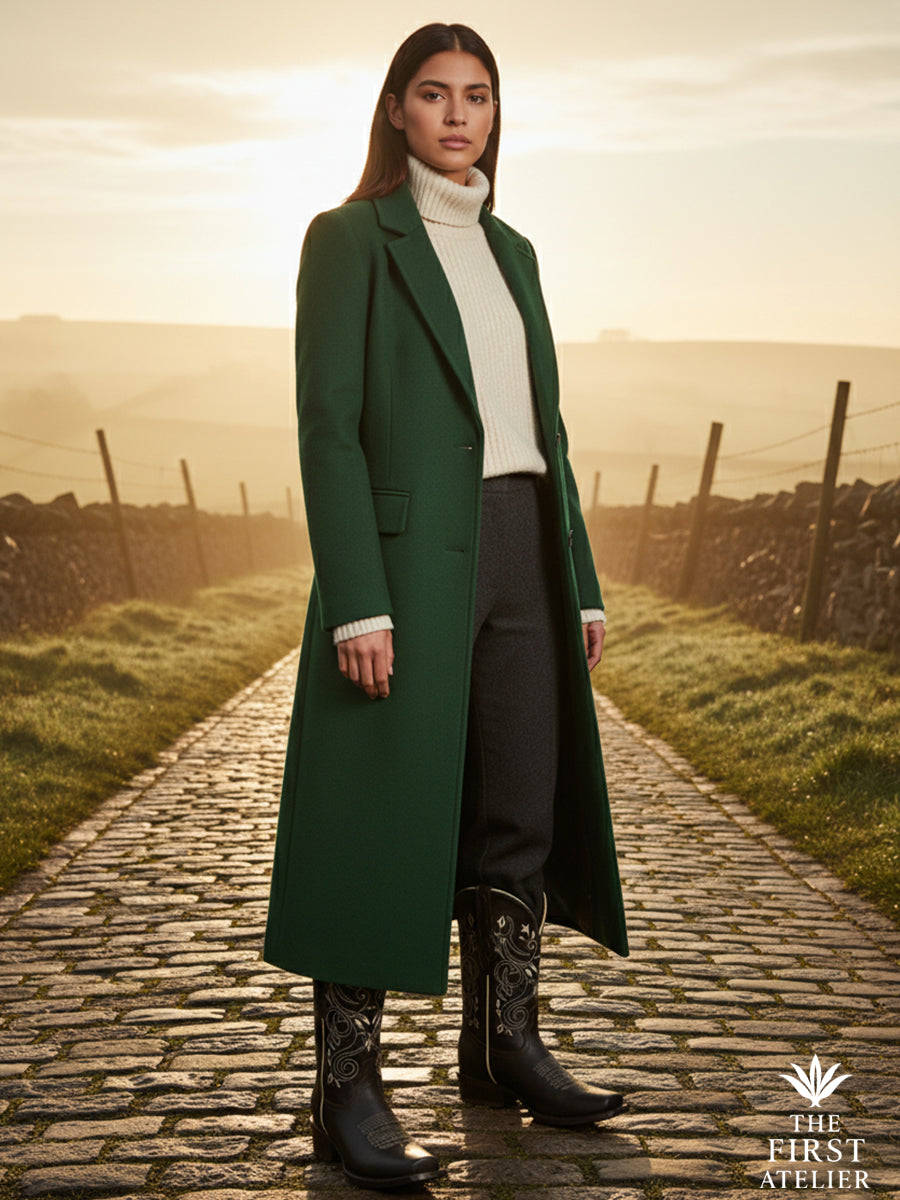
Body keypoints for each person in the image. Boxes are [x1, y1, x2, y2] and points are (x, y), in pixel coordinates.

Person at [264, 22, 629, 1190]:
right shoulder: (348, 239)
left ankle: (505, 1045)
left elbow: (544, 427)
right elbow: (327, 429)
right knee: (376, 815)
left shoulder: (514, 250)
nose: (459, 115)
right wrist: (357, 601)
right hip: (408, 565)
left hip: (526, 551)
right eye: (435, 94)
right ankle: (348, 1093)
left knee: (518, 803)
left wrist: (578, 576)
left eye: (478, 95)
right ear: (396, 109)